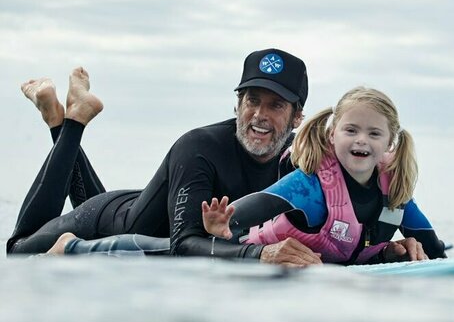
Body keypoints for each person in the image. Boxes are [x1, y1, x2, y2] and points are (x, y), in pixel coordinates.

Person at [6, 48, 323, 266]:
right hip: (104, 223)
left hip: (142, 212)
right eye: (252, 100)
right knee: (18, 250)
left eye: (276, 105)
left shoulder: (300, 159)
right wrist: (260, 255)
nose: (259, 115)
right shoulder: (200, 147)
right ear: (237, 105)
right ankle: (72, 123)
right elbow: (182, 244)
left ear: (297, 118)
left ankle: (60, 116)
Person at [200, 87, 446, 264]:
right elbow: (263, 201)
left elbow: (435, 250)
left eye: (374, 134)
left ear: (390, 143)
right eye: (351, 130)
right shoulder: (311, 186)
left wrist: (396, 255)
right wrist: (223, 221)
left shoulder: (394, 191)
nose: (361, 139)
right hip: (248, 257)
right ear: (332, 135)